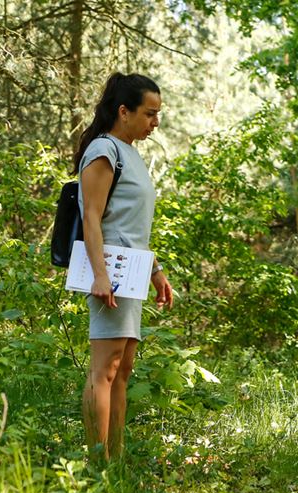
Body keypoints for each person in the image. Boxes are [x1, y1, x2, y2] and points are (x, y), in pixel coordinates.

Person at [77, 73, 172, 461]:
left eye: (158, 114)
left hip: (132, 272)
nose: (155, 122)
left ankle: (114, 462)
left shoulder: (130, 153)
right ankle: (95, 464)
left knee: (122, 370)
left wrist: (155, 271)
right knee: (104, 370)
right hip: (111, 273)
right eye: (149, 113)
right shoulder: (104, 150)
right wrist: (101, 275)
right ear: (123, 111)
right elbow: (92, 217)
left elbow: (131, 226)